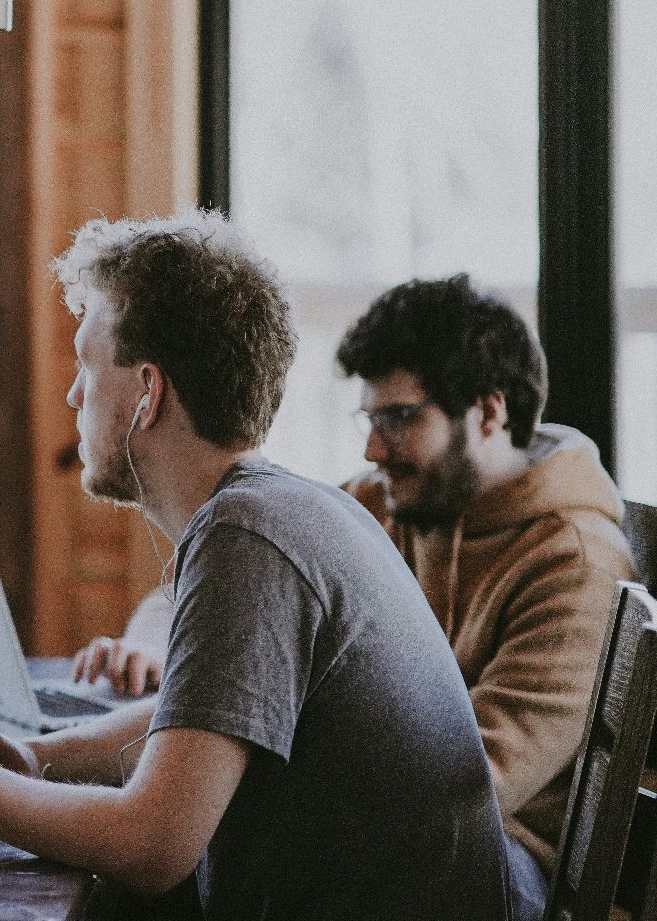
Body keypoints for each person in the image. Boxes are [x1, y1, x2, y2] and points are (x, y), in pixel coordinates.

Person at [0, 214, 510, 919]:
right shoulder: (288, 509)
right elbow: (203, 712)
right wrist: (37, 756)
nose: (73, 396)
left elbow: (152, 844)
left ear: (147, 393)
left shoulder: (247, 536)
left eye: (87, 367)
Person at [71, 273, 632, 911]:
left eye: (398, 418)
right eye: (369, 418)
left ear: (489, 411)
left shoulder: (576, 561)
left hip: (497, 869)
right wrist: (146, 644)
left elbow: (470, 786)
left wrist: (209, 758)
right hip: (382, 832)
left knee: (156, 844)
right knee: (131, 852)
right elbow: (220, 587)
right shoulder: (382, 501)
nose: (372, 448)